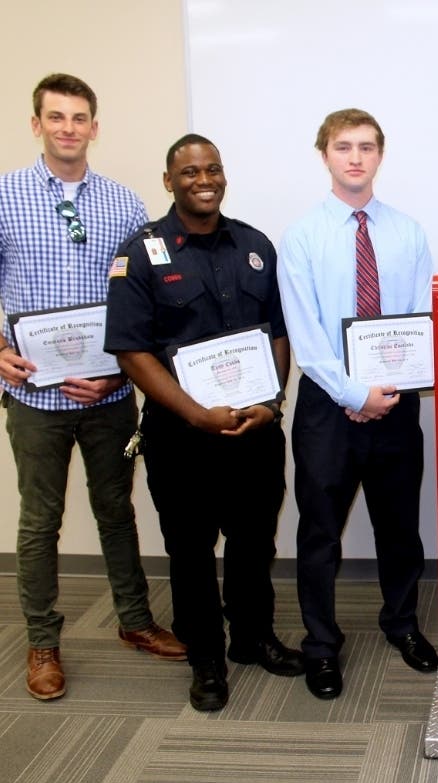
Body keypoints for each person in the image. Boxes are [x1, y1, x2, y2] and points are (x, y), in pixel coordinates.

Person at [0, 73, 185, 702]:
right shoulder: (6, 196)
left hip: (109, 390)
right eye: (56, 118)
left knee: (115, 511)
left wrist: (120, 368)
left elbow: (143, 302)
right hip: (35, 397)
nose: (68, 129)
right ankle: (43, 641)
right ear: (37, 125)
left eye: (79, 118)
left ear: (94, 128)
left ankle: (135, 622)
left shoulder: (125, 205)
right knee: (39, 522)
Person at [104, 134, 303, 712]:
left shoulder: (256, 246)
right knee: (190, 549)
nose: (203, 179)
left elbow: (278, 334)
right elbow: (131, 351)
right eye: (189, 171)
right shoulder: (140, 254)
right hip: (181, 435)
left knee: (253, 541)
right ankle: (206, 657)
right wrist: (194, 412)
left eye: (212, 169)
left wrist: (270, 404)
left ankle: (252, 638)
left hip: (254, 430)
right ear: (169, 181)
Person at [278, 108, 438, 700]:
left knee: (400, 529)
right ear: (324, 154)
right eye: (343, 147)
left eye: (366, 147)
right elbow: (305, 330)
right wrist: (353, 394)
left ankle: (402, 623)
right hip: (327, 408)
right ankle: (321, 644)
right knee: (319, 532)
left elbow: (419, 320)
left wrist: (385, 393)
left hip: (395, 404)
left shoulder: (407, 232)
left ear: (380, 155)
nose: (355, 157)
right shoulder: (302, 236)